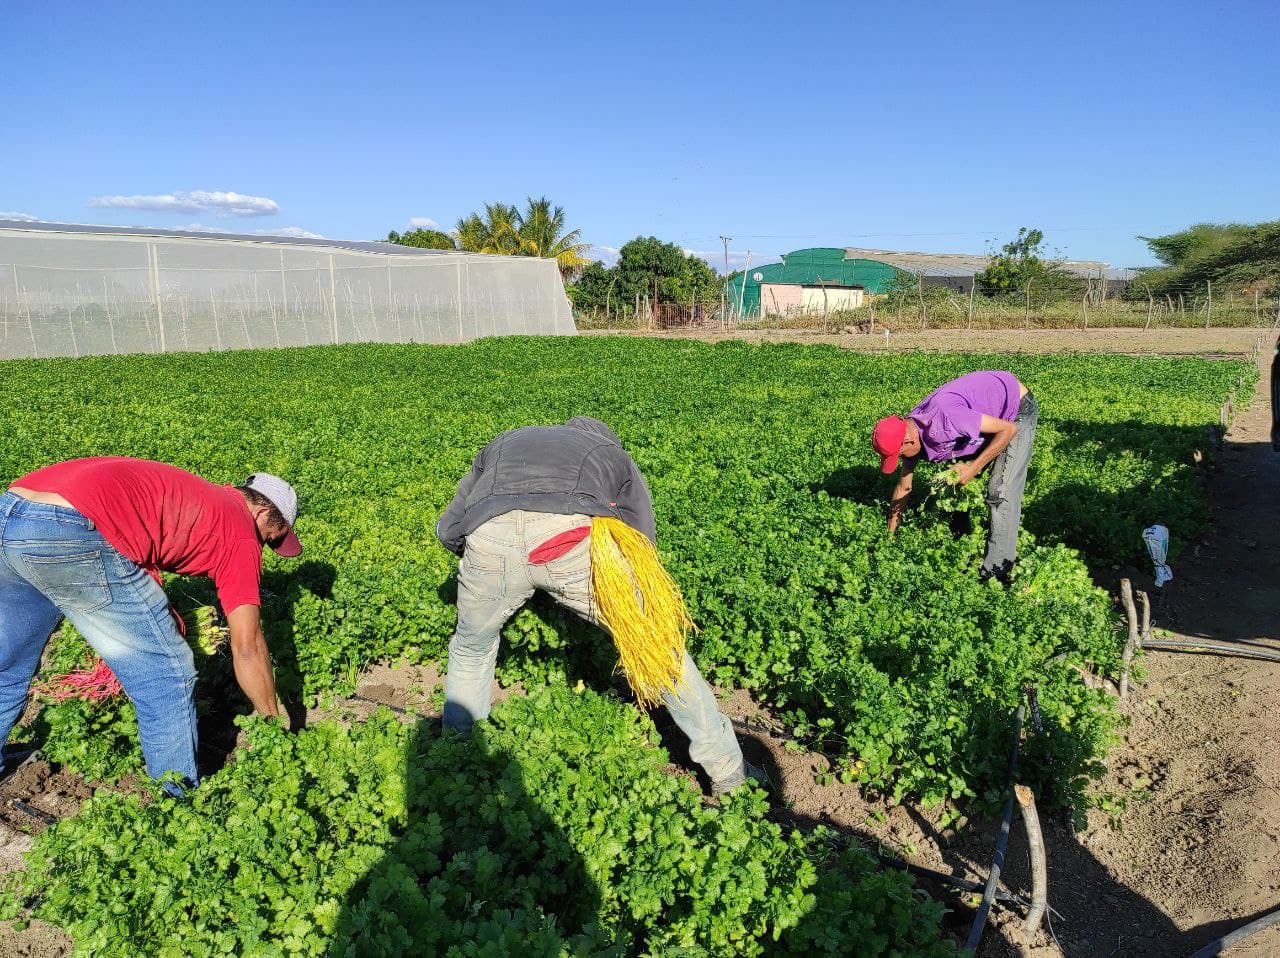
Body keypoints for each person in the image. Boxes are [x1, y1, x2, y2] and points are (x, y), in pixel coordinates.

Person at [437, 416, 763, 796]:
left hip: (487, 535)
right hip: (566, 539)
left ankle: (456, 759)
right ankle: (730, 776)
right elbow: (640, 536)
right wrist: (638, 601)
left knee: (472, 647)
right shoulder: (611, 453)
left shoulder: (505, 440)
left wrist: (487, 561)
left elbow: (449, 526)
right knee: (656, 651)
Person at [0, 457, 302, 791]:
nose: (267, 547)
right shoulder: (241, 533)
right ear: (261, 513)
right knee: (167, 674)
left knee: (7, 663)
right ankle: (177, 803)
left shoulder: (203, 497)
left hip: (13, 509)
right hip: (69, 528)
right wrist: (273, 728)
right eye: (273, 538)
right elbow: (248, 647)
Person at [873, 370, 1038, 583]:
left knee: (1000, 492)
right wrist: (890, 538)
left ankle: (997, 575)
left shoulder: (947, 418)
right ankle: (961, 538)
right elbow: (904, 487)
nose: (902, 459)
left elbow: (1008, 429)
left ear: (908, 442)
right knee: (952, 482)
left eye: (900, 454)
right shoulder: (911, 430)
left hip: (1015, 411)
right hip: (984, 416)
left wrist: (973, 468)